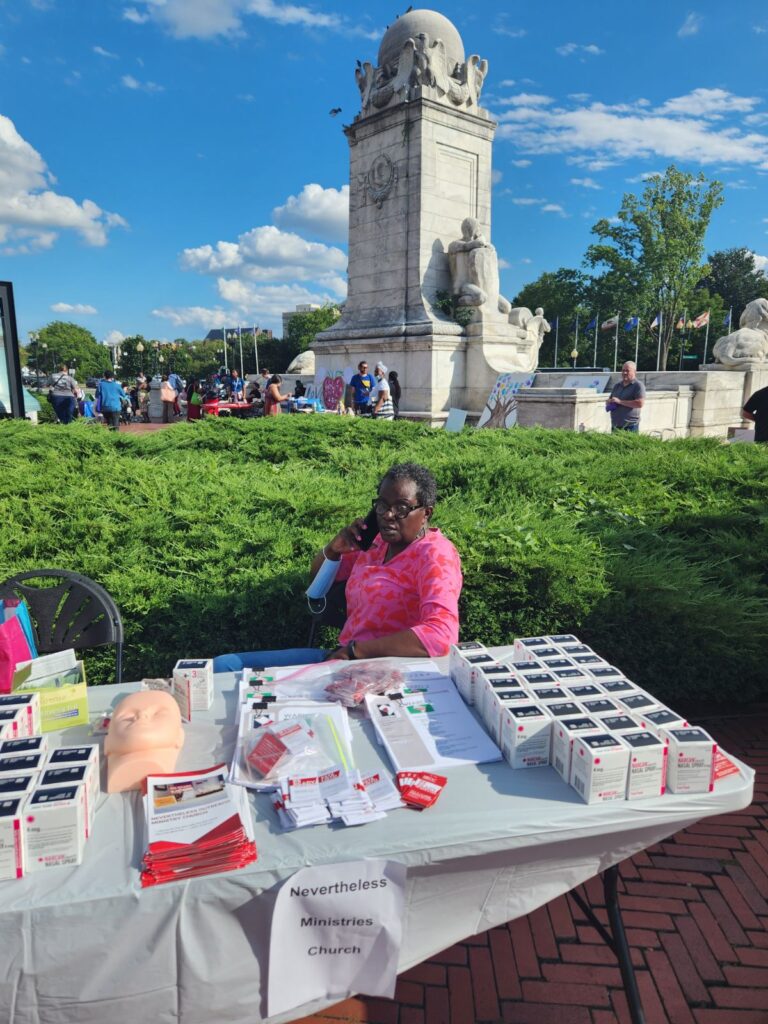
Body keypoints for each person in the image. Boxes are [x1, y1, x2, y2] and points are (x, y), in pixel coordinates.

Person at [213, 462, 462, 672]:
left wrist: (355, 651)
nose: (387, 515)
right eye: (382, 505)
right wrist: (334, 550)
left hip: (384, 670)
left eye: (401, 508)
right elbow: (318, 587)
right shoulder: (375, 543)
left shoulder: (435, 555)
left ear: (426, 513)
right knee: (225, 666)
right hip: (341, 661)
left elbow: (440, 635)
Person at [606, 361, 645, 433]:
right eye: (623, 370)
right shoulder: (617, 385)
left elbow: (640, 403)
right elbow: (610, 399)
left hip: (630, 426)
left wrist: (620, 402)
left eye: (627, 371)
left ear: (634, 372)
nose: (624, 373)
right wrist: (609, 402)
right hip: (615, 425)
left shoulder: (638, 385)